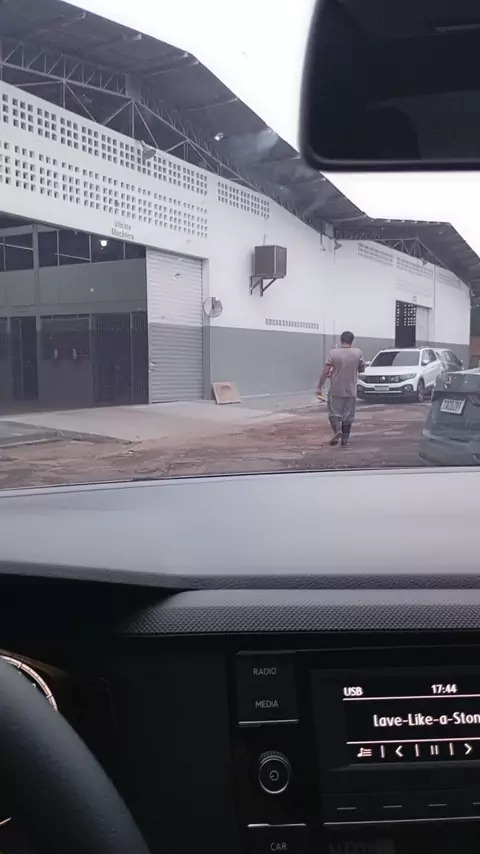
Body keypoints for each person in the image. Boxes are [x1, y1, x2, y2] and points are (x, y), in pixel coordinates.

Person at [317, 331, 365, 447]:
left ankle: (337, 430)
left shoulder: (333, 353)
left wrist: (319, 386)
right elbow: (361, 370)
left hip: (335, 389)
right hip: (351, 390)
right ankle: (345, 441)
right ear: (352, 341)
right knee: (348, 416)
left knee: (334, 413)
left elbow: (325, 372)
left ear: (341, 340)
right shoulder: (358, 353)